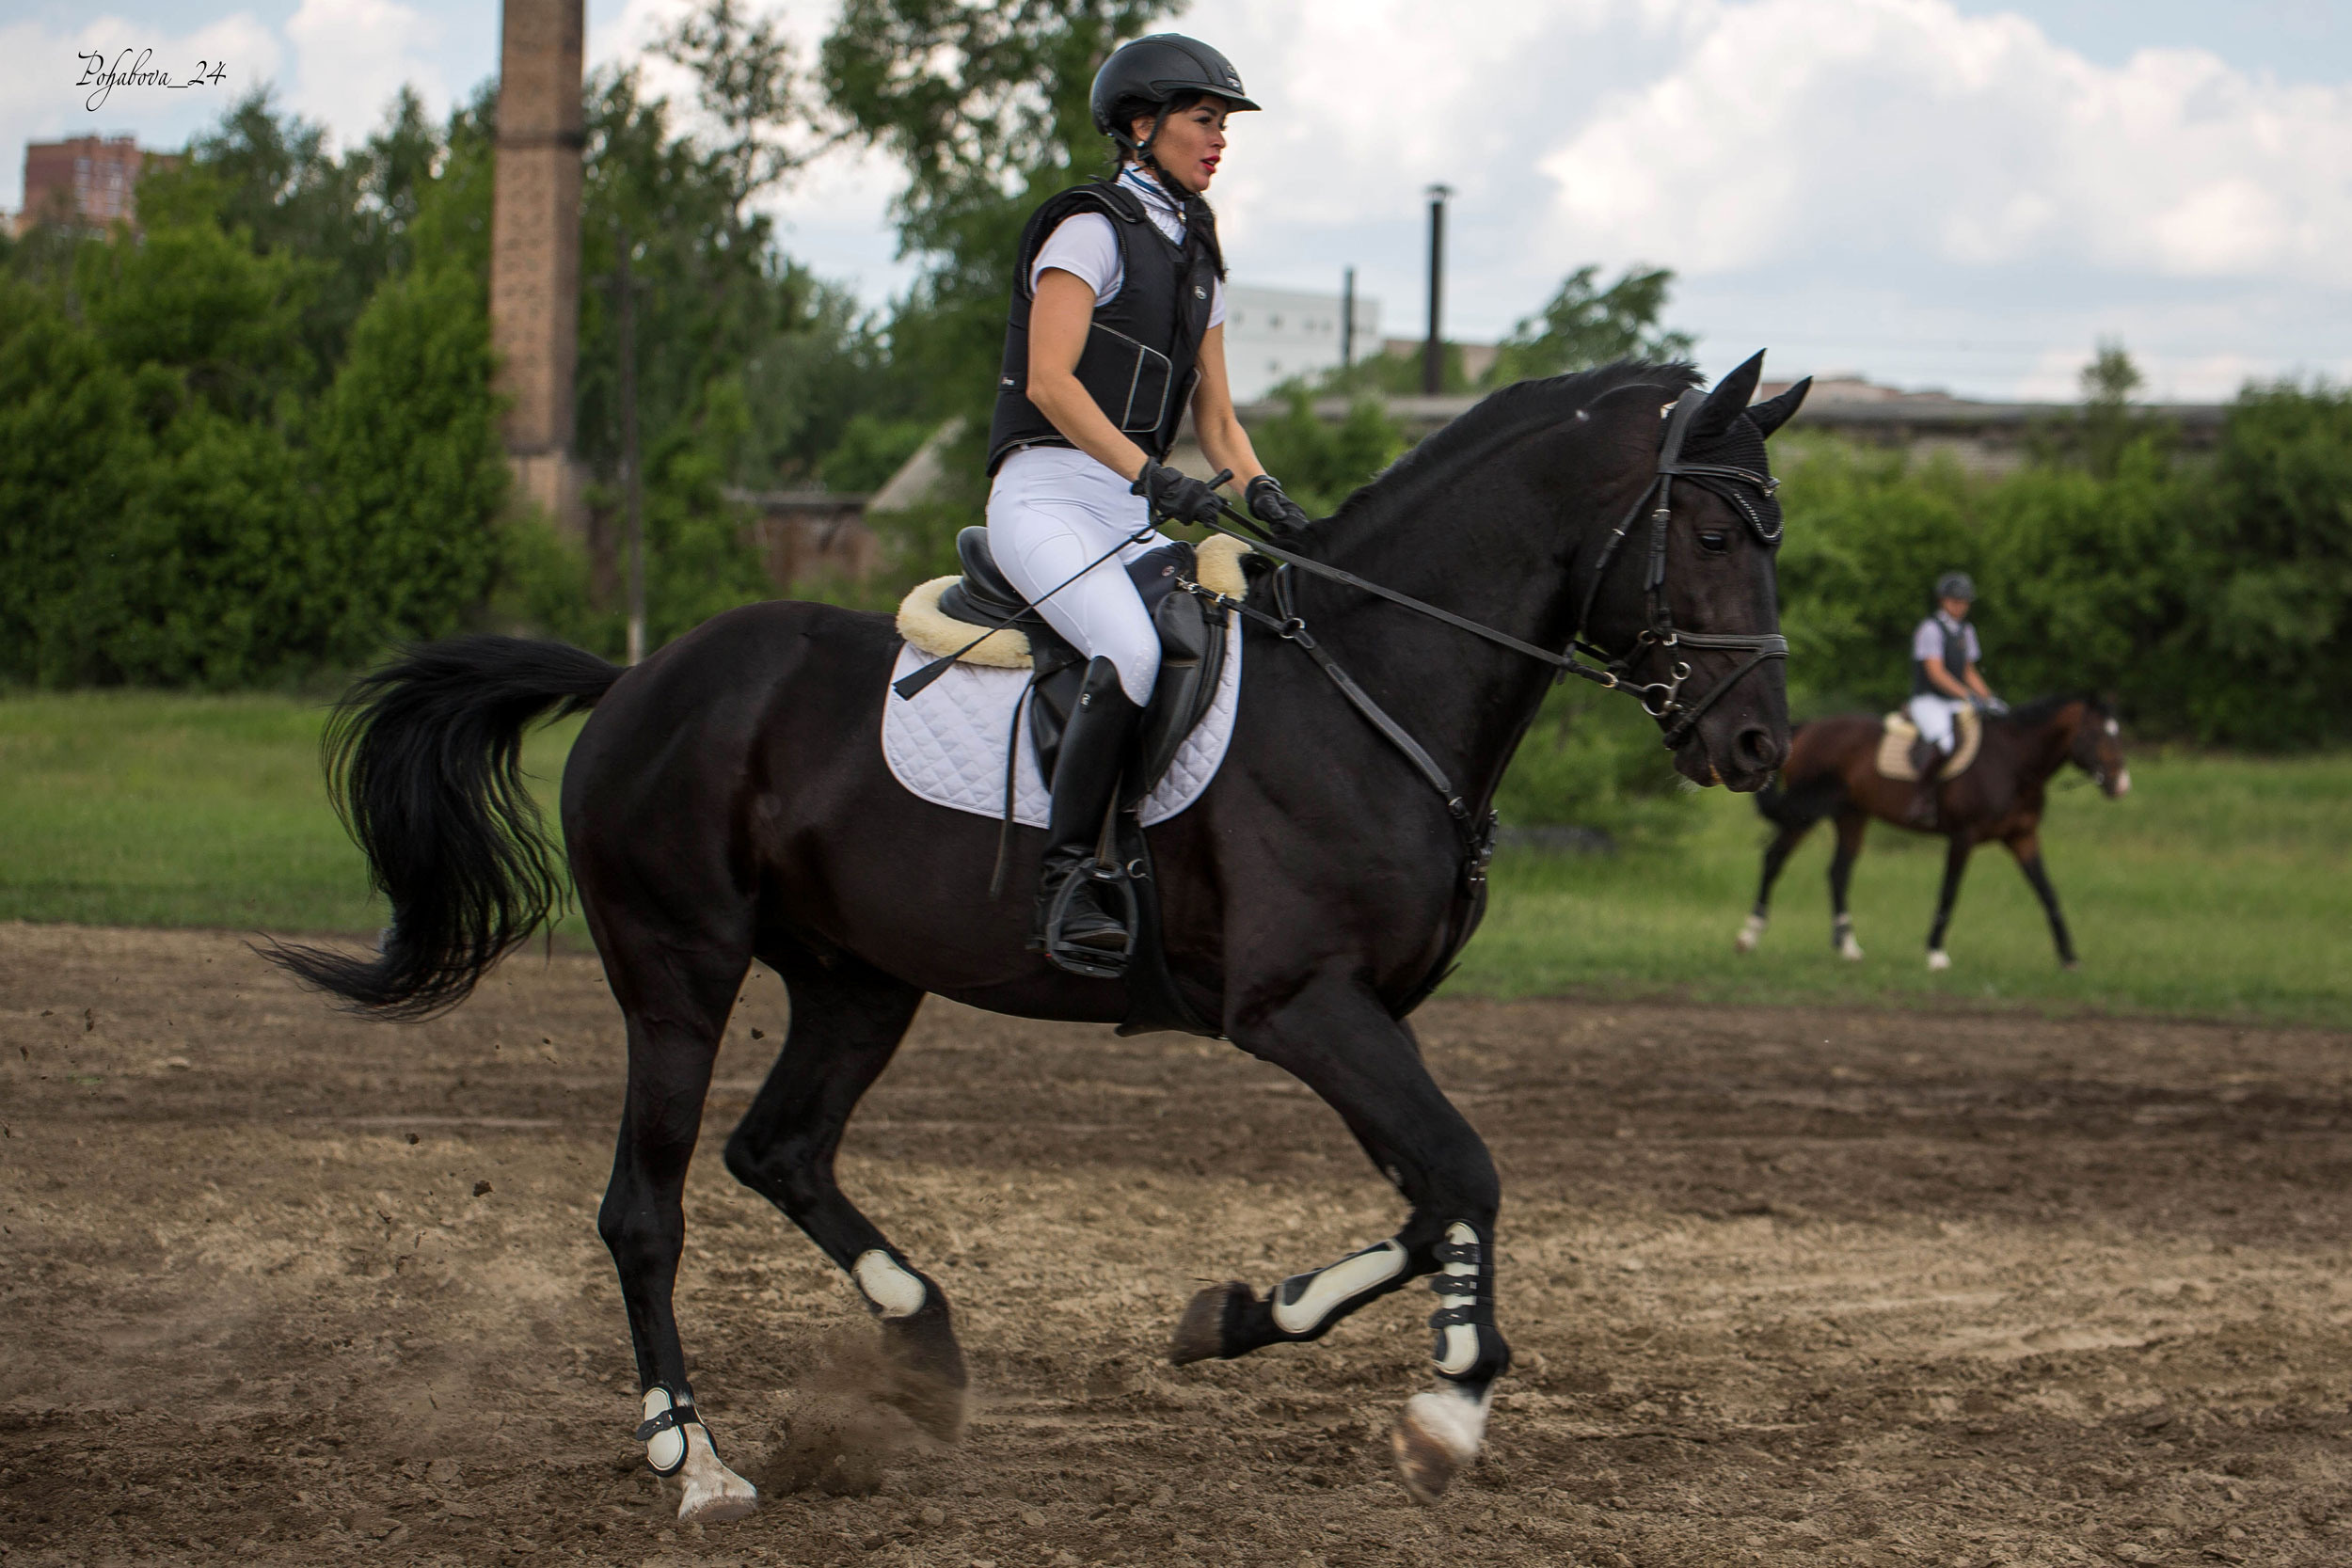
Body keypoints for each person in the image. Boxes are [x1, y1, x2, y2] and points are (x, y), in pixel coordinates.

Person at [983, 33, 1311, 960]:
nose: (1218, 141)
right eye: (1204, 121)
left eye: (1222, 126)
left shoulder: (1198, 253)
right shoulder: (1087, 228)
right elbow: (1049, 381)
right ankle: (1064, 880)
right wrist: (1147, 472)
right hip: (1044, 499)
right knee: (1127, 648)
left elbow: (1217, 418)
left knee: (1228, 633)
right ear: (1141, 125)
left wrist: (1267, 492)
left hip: (1125, 513)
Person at [1904, 571, 2006, 826]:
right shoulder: (1930, 629)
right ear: (1944, 601)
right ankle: (1922, 799)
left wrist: (1989, 698)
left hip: (1952, 700)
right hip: (1927, 700)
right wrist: (1970, 697)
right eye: (1955, 601)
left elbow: (1968, 671)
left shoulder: (1965, 631)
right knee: (1945, 742)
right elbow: (1936, 673)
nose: (1961, 606)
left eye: (1964, 602)